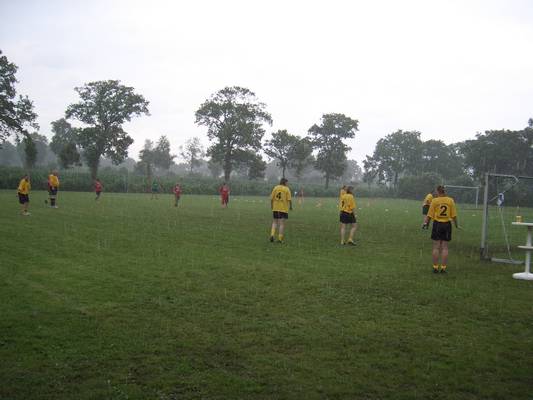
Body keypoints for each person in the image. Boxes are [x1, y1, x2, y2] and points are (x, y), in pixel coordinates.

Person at [423, 185, 459, 273]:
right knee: (445, 248)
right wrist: (456, 225)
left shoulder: (435, 201)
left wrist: (425, 223)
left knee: (436, 247)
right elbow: (454, 215)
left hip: (437, 224)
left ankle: (435, 267)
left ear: (437, 191)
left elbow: (429, 215)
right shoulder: (450, 200)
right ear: (444, 191)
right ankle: (443, 268)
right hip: (447, 225)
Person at [269, 178, 292, 243]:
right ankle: (280, 239)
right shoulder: (287, 189)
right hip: (283, 209)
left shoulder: (275, 188)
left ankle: (272, 235)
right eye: (287, 182)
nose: (287, 184)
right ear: (284, 182)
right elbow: (289, 199)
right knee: (282, 224)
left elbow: (271, 198)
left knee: (274, 222)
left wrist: (272, 206)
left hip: (275, 208)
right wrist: (291, 206)